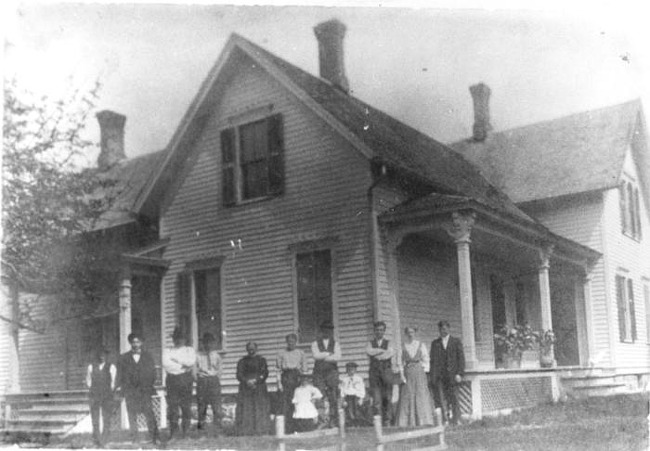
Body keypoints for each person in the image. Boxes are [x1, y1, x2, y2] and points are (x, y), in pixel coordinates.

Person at [117, 333, 159, 444]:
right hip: (130, 391)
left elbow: (153, 373)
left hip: (144, 390)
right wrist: (124, 389)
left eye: (138, 342)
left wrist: (148, 385)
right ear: (130, 343)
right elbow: (120, 375)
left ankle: (154, 437)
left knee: (149, 412)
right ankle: (134, 438)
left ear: (141, 343)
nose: (136, 344)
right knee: (132, 414)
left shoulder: (148, 356)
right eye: (133, 342)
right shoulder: (123, 358)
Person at [162, 327, 196, 440]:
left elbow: (190, 362)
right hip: (172, 380)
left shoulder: (189, 350)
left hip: (186, 379)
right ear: (173, 339)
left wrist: (176, 360)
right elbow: (166, 364)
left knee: (186, 406)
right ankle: (173, 433)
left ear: (185, 339)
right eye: (176, 338)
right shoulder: (168, 351)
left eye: (181, 338)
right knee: (173, 407)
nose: (179, 340)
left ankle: (186, 432)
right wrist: (182, 365)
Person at [396, 326, 434, 427]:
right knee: (408, 395)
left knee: (420, 394)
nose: (410, 334)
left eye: (412, 332)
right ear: (405, 334)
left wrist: (424, 370)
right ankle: (407, 422)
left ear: (415, 333)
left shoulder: (420, 345)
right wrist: (402, 375)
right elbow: (399, 362)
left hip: (419, 372)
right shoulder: (403, 346)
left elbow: (426, 359)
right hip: (408, 372)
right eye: (408, 332)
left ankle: (424, 421)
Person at [430, 320, 465, 426]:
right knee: (441, 398)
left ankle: (457, 419)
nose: (443, 330)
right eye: (441, 329)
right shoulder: (435, 343)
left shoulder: (456, 341)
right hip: (440, 375)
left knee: (454, 397)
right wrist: (433, 376)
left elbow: (461, 359)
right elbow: (433, 361)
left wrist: (460, 373)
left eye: (445, 328)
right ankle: (445, 419)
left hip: (453, 375)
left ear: (448, 329)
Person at [235, 342, 271, 435]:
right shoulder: (242, 361)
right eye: (249, 348)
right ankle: (247, 430)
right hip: (245, 387)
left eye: (253, 348)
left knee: (259, 408)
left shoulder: (261, 360)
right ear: (246, 349)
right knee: (247, 408)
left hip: (259, 386)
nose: (251, 350)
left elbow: (265, 373)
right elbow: (239, 374)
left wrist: (256, 381)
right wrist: (247, 381)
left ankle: (261, 430)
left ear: (256, 349)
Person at [311, 320, 341, 427]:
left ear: (331, 331)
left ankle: (333, 421)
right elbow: (316, 356)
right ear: (321, 330)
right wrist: (328, 354)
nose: (327, 331)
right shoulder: (315, 343)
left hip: (332, 372)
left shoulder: (336, 343)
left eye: (329, 330)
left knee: (333, 396)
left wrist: (323, 356)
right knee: (320, 396)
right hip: (319, 373)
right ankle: (322, 421)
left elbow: (337, 357)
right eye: (325, 329)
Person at [276, 333, 308, 433]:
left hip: (297, 377)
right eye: (289, 341)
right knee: (287, 403)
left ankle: (300, 427)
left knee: (299, 401)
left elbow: (305, 369)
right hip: (286, 377)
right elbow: (278, 370)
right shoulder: (281, 353)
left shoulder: (301, 353)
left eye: (293, 341)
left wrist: (304, 382)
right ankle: (288, 428)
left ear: (296, 342)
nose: (291, 343)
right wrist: (279, 383)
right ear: (286, 342)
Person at [365, 321, 396, 426]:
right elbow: (369, 351)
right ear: (374, 331)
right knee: (377, 399)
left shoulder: (389, 342)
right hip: (374, 374)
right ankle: (378, 422)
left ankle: (387, 421)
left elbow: (390, 353)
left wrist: (378, 354)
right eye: (377, 330)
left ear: (384, 331)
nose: (379, 332)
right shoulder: (370, 343)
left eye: (381, 330)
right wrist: (382, 351)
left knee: (387, 397)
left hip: (386, 372)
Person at [86, 347, 116, 448]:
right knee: (95, 416)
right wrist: (93, 389)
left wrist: (108, 391)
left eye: (104, 354)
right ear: (97, 355)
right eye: (100, 354)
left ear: (106, 355)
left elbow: (113, 382)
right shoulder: (91, 367)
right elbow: (88, 381)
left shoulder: (111, 367)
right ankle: (96, 438)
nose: (101, 356)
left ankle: (105, 438)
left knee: (106, 416)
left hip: (107, 394)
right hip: (94, 394)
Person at [196, 332, 222, 435]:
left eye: (210, 342)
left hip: (213, 381)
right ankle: (201, 430)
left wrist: (214, 378)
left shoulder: (217, 356)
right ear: (202, 343)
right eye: (205, 342)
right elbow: (195, 370)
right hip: (202, 381)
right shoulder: (198, 356)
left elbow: (219, 371)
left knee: (217, 406)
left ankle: (218, 430)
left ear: (213, 343)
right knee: (202, 406)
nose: (208, 345)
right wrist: (199, 378)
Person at [339, 361, 366, 427]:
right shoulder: (344, 379)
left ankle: (358, 424)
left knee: (357, 410)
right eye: (349, 370)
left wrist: (361, 398)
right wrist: (343, 399)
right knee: (349, 410)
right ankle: (351, 424)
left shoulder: (358, 379)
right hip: (348, 397)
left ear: (355, 370)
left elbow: (362, 388)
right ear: (347, 370)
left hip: (356, 396)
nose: (351, 371)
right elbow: (342, 389)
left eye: (353, 370)